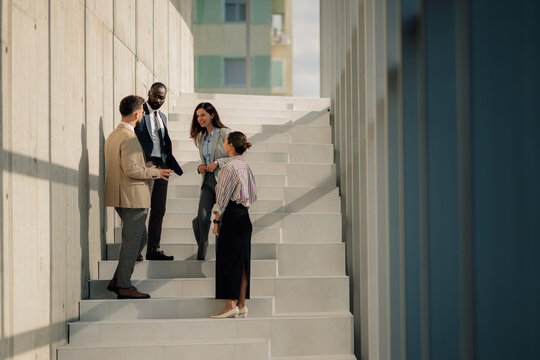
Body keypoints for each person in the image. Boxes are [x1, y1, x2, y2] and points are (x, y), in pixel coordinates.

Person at [104, 95, 173, 299]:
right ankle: (124, 285)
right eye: (142, 113)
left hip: (119, 194)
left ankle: (118, 279)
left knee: (139, 238)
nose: (142, 115)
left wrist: (145, 167)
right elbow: (132, 170)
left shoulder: (114, 135)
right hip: (132, 196)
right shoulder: (130, 138)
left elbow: (124, 166)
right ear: (137, 114)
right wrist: (156, 173)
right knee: (132, 241)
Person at [210, 131, 257, 319]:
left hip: (231, 216)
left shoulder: (228, 168)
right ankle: (242, 304)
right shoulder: (246, 167)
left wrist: (216, 220)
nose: (224, 144)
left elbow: (221, 197)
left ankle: (230, 305)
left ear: (230, 146)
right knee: (243, 262)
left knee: (228, 260)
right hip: (245, 216)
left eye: (226, 141)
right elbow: (253, 195)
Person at [135, 82, 183, 261]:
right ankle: (136, 248)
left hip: (162, 166)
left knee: (159, 209)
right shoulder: (140, 112)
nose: (157, 99)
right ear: (149, 92)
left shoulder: (162, 116)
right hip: (146, 165)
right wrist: (142, 163)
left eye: (161, 97)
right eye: (155, 95)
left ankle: (153, 249)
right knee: (141, 209)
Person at [190, 102, 230, 260]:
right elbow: (204, 159)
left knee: (222, 221)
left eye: (203, 115)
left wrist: (217, 163)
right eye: (198, 116)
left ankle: (222, 255)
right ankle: (202, 250)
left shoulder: (224, 133)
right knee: (201, 217)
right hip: (206, 181)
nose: (200, 119)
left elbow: (236, 157)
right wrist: (201, 167)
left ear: (212, 115)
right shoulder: (201, 138)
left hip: (222, 182)